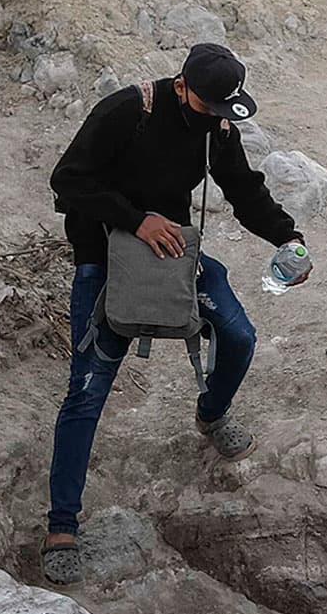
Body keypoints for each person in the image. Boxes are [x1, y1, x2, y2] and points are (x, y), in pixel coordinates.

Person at [40, 43, 312, 585]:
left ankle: (212, 413)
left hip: (172, 255)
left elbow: (244, 190)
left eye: (224, 110)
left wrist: (288, 238)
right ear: (183, 86)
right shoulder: (128, 110)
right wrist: (136, 219)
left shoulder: (216, 127)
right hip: (105, 256)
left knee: (238, 335)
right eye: (208, 107)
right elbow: (66, 181)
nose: (216, 118)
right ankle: (61, 526)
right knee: (87, 389)